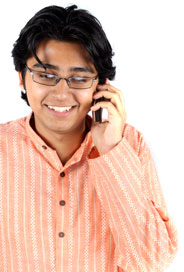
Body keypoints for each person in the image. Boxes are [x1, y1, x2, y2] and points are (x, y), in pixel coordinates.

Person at [0, 5, 177, 272]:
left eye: (79, 77)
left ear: (101, 85)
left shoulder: (129, 143)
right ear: (22, 79)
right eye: (46, 75)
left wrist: (111, 150)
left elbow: (151, 263)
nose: (61, 93)